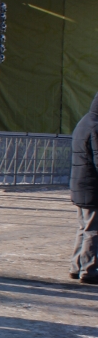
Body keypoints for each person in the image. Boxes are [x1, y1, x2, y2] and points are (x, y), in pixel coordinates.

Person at [70, 92, 98, 284]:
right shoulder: (96, 126)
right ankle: (88, 270)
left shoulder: (84, 121)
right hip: (91, 186)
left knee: (83, 228)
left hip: (79, 185)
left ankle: (76, 266)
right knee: (93, 230)